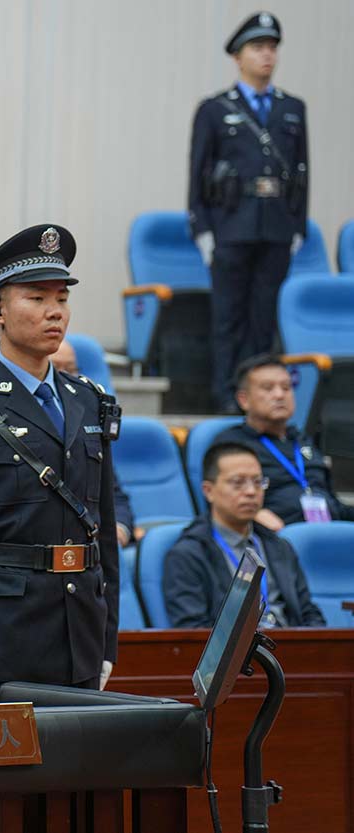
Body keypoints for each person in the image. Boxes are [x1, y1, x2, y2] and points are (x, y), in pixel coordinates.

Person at [0, 224, 120, 705]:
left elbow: (104, 530)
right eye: (36, 298)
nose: (55, 311)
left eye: (62, 298)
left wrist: (108, 638)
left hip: (81, 635)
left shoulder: (88, 401)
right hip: (4, 639)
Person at [188, 12, 308, 412]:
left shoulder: (292, 108)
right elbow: (198, 172)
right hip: (230, 226)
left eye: (272, 47)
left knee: (263, 317)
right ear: (238, 57)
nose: (267, 55)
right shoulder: (215, 109)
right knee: (228, 317)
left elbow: (302, 171)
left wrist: (297, 227)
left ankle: (259, 398)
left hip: (276, 227)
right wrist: (202, 229)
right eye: (258, 48)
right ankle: (227, 395)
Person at [164, 442, 325, 628]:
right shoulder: (188, 554)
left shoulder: (278, 546)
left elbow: (309, 613)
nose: (251, 492)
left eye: (258, 482)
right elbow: (192, 630)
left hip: (287, 642)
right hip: (233, 647)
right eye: (238, 483)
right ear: (208, 491)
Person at [213, 354, 354, 528]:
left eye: (286, 388)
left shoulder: (302, 441)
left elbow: (335, 505)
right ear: (244, 399)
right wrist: (254, 514)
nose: (279, 395)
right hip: (275, 536)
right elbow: (222, 505)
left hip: (327, 531)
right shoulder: (233, 445)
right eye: (268, 388)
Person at [52, 339, 138, 546]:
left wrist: (120, 530)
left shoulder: (88, 425)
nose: (64, 376)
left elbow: (114, 496)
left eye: (71, 370)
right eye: (55, 368)